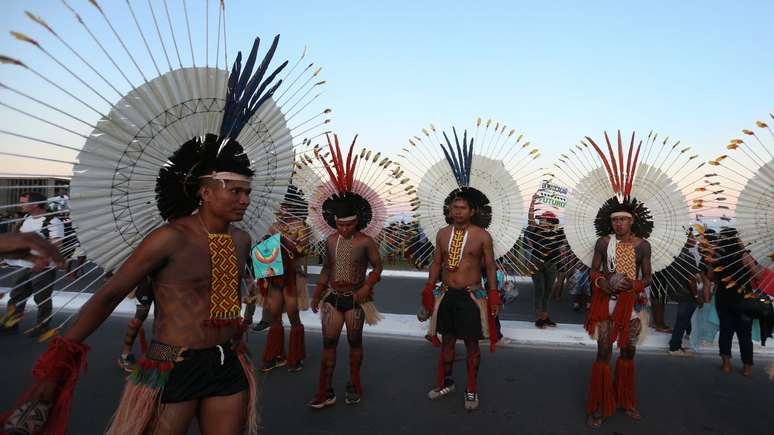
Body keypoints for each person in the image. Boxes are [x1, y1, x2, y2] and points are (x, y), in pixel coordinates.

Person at [420, 189, 501, 411]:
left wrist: (493, 294)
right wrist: (429, 288)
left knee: (472, 345)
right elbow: (437, 262)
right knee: (446, 341)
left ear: (472, 211)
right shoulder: (442, 233)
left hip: (470, 296)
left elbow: (491, 266)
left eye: (462, 207)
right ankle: (446, 382)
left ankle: (472, 388)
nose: (457, 211)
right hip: (446, 295)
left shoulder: (482, 236)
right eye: (454, 207)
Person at [309, 194, 383, 408]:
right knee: (328, 343)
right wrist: (317, 294)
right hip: (332, 297)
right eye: (340, 225)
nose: (344, 229)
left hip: (355, 299)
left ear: (357, 221)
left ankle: (353, 385)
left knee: (354, 341)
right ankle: (326, 389)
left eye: (349, 224)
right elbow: (326, 268)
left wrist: (367, 286)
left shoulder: (366, 242)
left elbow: (378, 267)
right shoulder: (331, 240)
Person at [584, 197, 652, 429]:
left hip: (631, 307)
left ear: (632, 221)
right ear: (610, 222)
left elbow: (647, 277)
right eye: (615, 220)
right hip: (607, 304)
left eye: (624, 219)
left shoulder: (643, 246)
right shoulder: (604, 243)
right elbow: (593, 270)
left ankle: (625, 399)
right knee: (603, 354)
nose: (619, 224)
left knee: (628, 354)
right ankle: (601, 405)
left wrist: (633, 285)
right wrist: (603, 281)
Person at [258, 185, 311, 373]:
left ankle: (296, 357)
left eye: (287, 205)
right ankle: (275, 356)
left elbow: (303, 251)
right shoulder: (273, 226)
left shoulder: (300, 226)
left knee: (293, 315)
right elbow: (265, 252)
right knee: (274, 316)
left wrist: (291, 243)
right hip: (275, 277)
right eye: (281, 205)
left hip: (292, 278)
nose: (283, 208)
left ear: (294, 205)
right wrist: (265, 242)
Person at [1, 192, 64, 336]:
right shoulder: (26, 218)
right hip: (24, 264)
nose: (20, 205)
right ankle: (11, 323)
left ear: (35, 204)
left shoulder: (52, 221)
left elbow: (57, 243)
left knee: (41, 297)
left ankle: (43, 326)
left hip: (44, 266)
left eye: (23, 202)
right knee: (17, 295)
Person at [713, 228, 755, 377]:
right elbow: (756, 273)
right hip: (744, 299)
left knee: (726, 331)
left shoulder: (718, 255)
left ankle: (726, 364)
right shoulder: (745, 254)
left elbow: (712, 277)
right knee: (745, 334)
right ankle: (747, 367)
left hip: (723, 298)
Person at [525, 195, 564, 328]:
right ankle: (538, 318)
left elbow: (559, 252)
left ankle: (545, 316)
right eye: (541, 219)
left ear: (551, 221)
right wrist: (533, 201)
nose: (541, 221)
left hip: (552, 264)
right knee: (539, 289)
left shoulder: (558, 234)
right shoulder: (536, 230)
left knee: (548, 291)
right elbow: (530, 219)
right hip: (536, 262)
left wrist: (561, 271)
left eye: (544, 219)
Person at [663, 235, 702, 356]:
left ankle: (676, 345)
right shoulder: (688, 256)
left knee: (682, 320)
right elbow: (691, 279)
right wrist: (696, 296)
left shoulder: (674, 254)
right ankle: (674, 347)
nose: (695, 240)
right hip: (687, 293)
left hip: (676, 290)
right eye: (692, 238)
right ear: (685, 240)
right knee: (682, 320)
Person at [116, 277, 154, 372]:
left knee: (164, 318)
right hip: (148, 280)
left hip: (168, 281)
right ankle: (125, 355)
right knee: (138, 320)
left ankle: (163, 357)